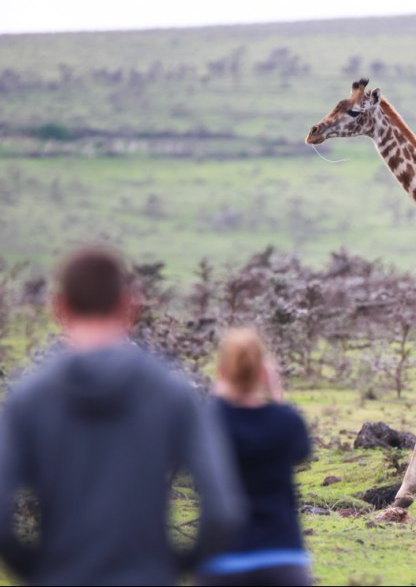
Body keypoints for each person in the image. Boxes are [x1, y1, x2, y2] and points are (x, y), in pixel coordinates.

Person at [0, 246, 246, 586]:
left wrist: (35, 568)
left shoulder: (28, 398)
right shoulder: (172, 392)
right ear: (128, 304)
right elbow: (222, 510)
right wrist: (173, 566)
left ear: (60, 307)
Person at [197, 328, 312, 586]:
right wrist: (276, 395)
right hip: (282, 557)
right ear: (263, 373)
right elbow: (301, 451)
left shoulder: (208, 421)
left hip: (222, 559)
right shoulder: (287, 422)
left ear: (222, 371)